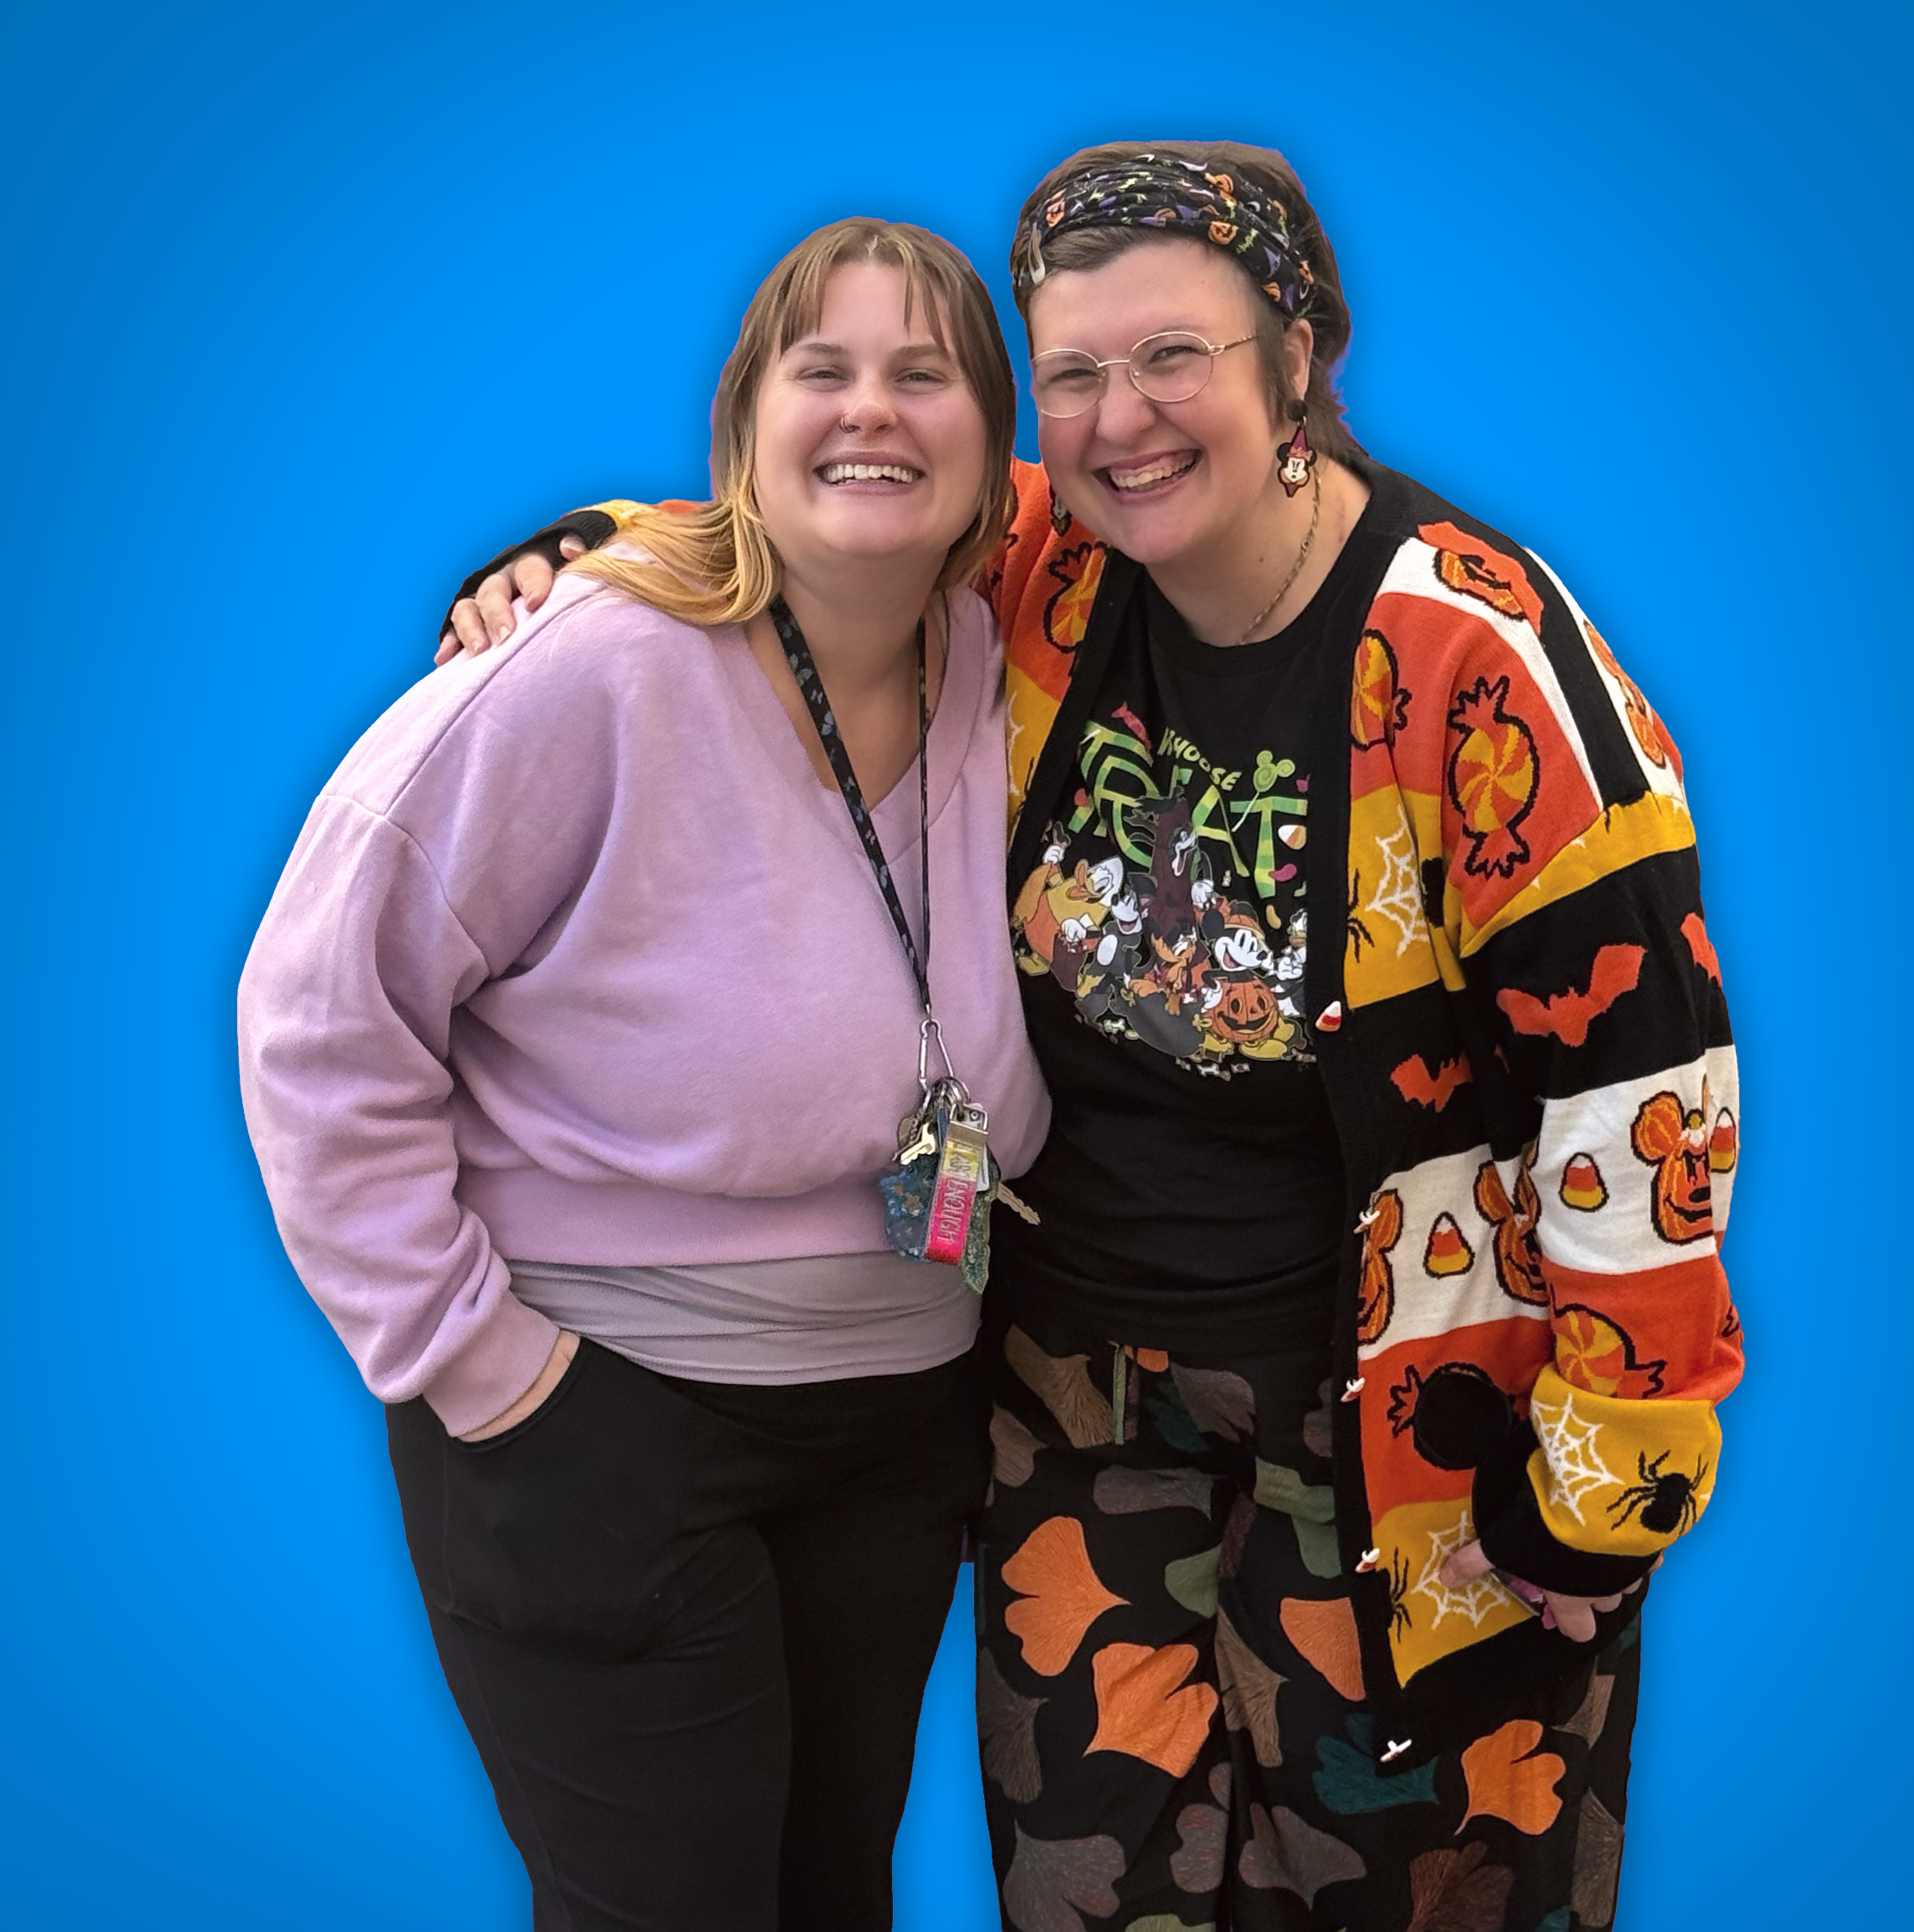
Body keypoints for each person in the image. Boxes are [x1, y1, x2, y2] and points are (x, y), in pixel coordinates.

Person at [440, 141, 1741, 1931]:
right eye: (1071, 373)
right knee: (1092, 1895)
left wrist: (1603, 1482)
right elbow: (829, 521)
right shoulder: (1044, 568)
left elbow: (1643, 1086)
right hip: (1070, 1408)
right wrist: (580, 552)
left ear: (1297, 355)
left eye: (1174, 356)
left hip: (1408, 1437)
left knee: (1418, 1889)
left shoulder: (1477, 658)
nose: (1119, 418)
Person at [236, 218, 1050, 1932]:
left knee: (829, 1897)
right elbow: (321, 1005)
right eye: (821, 369)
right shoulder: (595, 661)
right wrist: (485, 1367)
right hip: (604, 1413)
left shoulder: (992, 656)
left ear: (995, 438)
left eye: (925, 373)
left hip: (898, 1424)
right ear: (742, 423)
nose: (871, 410)